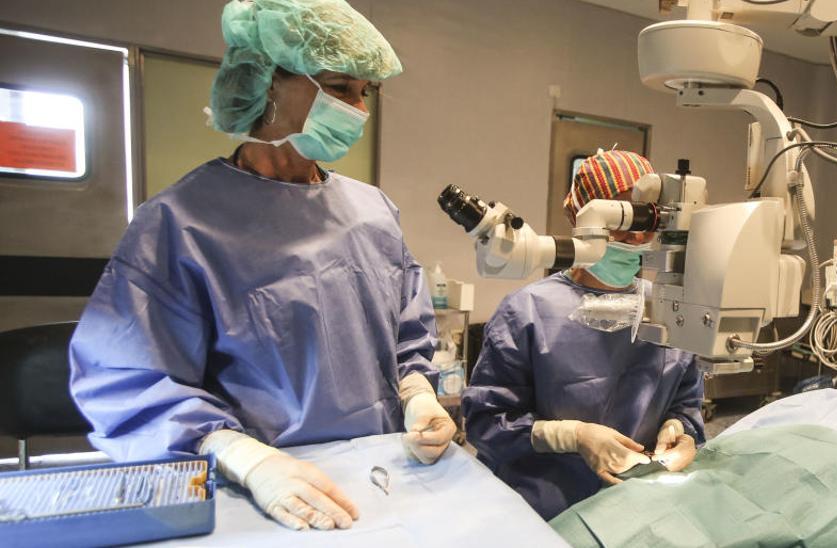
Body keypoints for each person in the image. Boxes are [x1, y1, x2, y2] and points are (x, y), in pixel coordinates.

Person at [68, 0, 454, 532]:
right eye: (340, 88)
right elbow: (128, 379)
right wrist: (247, 460)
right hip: (259, 494)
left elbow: (407, 335)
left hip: (383, 472)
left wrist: (418, 395)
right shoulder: (180, 222)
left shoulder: (373, 212)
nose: (358, 110)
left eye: (365, 93)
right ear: (268, 83)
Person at [462, 150, 706, 520]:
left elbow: (686, 403)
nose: (638, 236)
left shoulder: (670, 309)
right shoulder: (527, 312)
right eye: (624, 218)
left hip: (637, 510)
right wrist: (573, 436)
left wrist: (680, 431)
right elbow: (485, 423)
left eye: (648, 219)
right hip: (544, 515)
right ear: (582, 218)